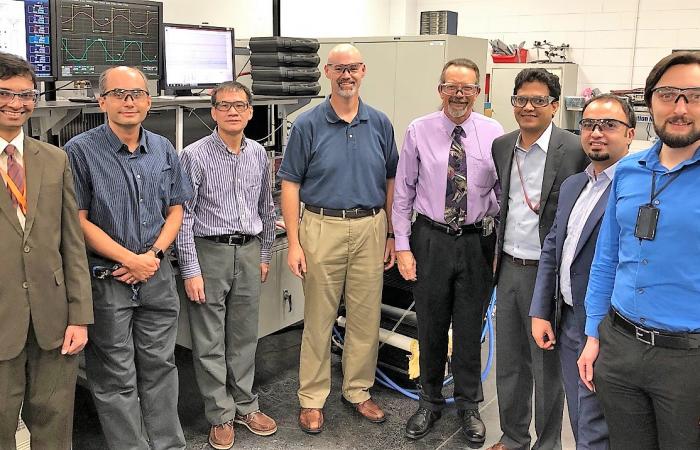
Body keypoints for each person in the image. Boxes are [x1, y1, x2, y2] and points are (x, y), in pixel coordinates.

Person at [65, 65, 192, 450]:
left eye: (136, 93)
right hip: (108, 283)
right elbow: (78, 220)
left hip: (156, 279)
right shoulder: (80, 152)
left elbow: (175, 209)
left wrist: (151, 256)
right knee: (115, 376)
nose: (129, 101)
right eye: (118, 94)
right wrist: (130, 260)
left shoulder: (164, 149)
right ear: (101, 101)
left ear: (149, 101)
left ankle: (169, 444)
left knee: (160, 367)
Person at [578, 51, 700, 450]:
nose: (680, 108)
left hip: (688, 358)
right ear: (651, 104)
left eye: (694, 95)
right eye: (668, 95)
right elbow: (607, 258)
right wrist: (594, 334)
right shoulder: (629, 171)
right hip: (620, 346)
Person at [278, 43, 399, 434]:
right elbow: (290, 184)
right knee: (318, 318)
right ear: (327, 73)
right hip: (321, 226)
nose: (346, 75)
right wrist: (295, 242)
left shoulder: (380, 123)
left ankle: (358, 391)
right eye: (338, 69)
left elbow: (392, 178)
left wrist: (392, 233)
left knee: (366, 317)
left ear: (363, 71)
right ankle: (312, 398)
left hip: (370, 225)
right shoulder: (309, 124)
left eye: (353, 68)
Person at [392, 58, 503, 446]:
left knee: (470, 329)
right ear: (440, 89)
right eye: (451, 86)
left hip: (476, 241)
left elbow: (502, 195)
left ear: (478, 91)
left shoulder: (494, 132)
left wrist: (499, 248)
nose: (459, 94)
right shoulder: (418, 130)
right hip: (431, 240)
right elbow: (403, 191)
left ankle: (469, 404)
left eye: (467, 87)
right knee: (431, 325)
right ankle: (429, 400)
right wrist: (403, 246)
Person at [489, 68, 589, 450]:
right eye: (521, 99)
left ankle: (548, 444)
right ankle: (514, 436)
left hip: (548, 276)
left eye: (539, 100)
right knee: (510, 363)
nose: (528, 107)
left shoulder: (575, 149)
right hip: (510, 269)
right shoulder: (502, 146)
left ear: (554, 105)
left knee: (547, 369)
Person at [530, 94, 636, 449]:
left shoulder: (635, 188)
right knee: (579, 414)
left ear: (631, 133)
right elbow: (553, 249)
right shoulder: (576, 183)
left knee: (598, 423)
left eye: (609, 125)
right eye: (589, 124)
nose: (596, 132)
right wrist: (541, 309)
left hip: (608, 326)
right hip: (568, 319)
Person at [176, 81, 277, 450]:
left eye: (240, 105)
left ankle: (246, 405)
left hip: (249, 251)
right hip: (209, 253)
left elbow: (267, 208)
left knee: (244, 336)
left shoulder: (258, 155)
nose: (233, 111)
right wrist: (190, 270)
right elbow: (183, 217)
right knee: (209, 340)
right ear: (213, 111)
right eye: (224, 105)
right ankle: (220, 414)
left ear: (251, 111)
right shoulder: (194, 156)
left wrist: (264, 254)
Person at [0, 51, 93, 450]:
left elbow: (72, 243)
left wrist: (80, 316)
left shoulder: (55, 159)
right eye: (5, 93)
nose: (16, 104)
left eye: (26, 95)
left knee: (55, 424)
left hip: (55, 319)